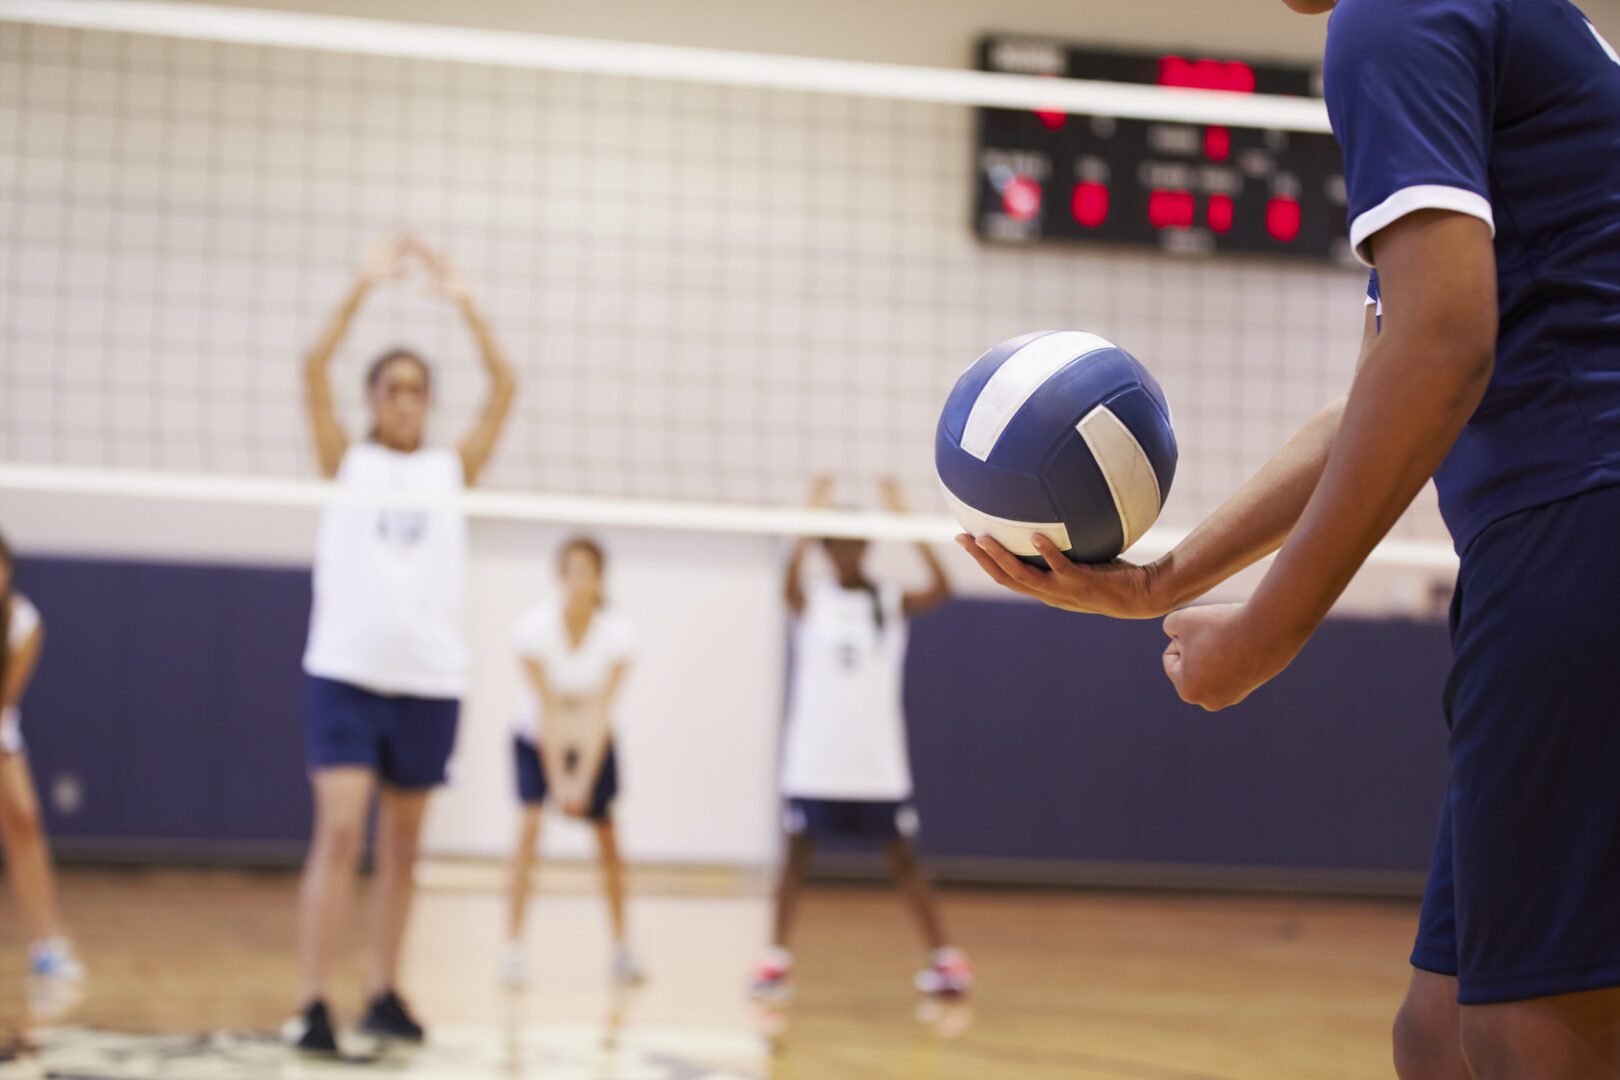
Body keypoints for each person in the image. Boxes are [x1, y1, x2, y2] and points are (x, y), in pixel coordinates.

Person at [960, 1, 1620, 1074]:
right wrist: (1163, 578)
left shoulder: (1392, 13)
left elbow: (1446, 346)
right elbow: (1383, 386)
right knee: (1442, 1031)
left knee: (1528, 1035)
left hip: (1579, 521)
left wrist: (1267, 633)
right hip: (1559, 533)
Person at [285, 235, 516, 1054]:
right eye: (392, 388)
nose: (406, 401)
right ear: (373, 399)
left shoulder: (452, 469)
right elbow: (313, 368)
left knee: (405, 847)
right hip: (347, 675)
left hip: (429, 680)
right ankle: (313, 1001)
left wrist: (463, 299)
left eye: (417, 390)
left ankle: (383, 990)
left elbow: (506, 387)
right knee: (341, 833)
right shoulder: (344, 461)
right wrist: (361, 287)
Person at [751, 477, 970, 1003]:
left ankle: (945, 962)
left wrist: (906, 520)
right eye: (838, 542)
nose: (849, 550)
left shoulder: (889, 600)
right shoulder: (813, 600)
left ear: (868, 546)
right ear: (827, 549)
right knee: (795, 862)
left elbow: (944, 588)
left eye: (857, 540)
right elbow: (787, 584)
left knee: (904, 863)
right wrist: (811, 513)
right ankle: (774, 963)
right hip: (814, 764)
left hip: (876, 766)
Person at [501, 536, 641, 989]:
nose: (580, 581)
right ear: (560, 576)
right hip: (536, 737)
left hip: (592, 741)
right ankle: (512, 949)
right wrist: (559, 779)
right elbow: (547, 707)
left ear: (601, 578)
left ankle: (622, 950)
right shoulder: (533, 629)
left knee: (608, 841)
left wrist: (582, 779)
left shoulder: (618, 633)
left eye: (589, 571)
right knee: (528, 829)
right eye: (572, 571)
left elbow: (601, 709)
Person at [0, 531, 84, 986]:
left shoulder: (23, 621)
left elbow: (5, 700)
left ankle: (43, 946)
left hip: (0, 732)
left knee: (26, 824)